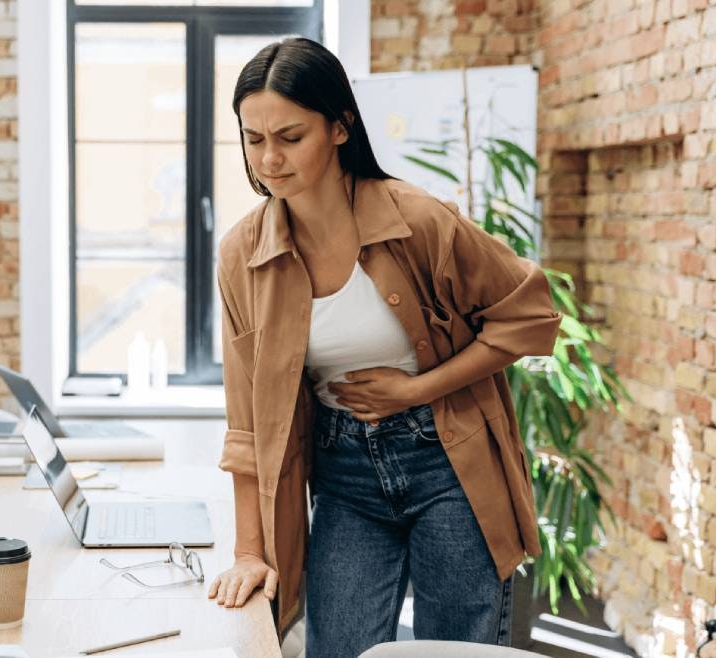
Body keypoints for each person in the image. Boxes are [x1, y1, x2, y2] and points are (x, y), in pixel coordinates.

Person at [205, 37, 562, 657]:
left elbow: (527, 315)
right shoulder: (243, 255)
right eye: (253, 138)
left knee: (455, 652)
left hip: (447, 461)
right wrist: (247, 553)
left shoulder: (418, 221)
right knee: (335, 650)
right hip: (343, 474)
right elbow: (249, 425)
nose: (269, 160)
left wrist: (417, 390)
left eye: (291, 137)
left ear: (341, 127)